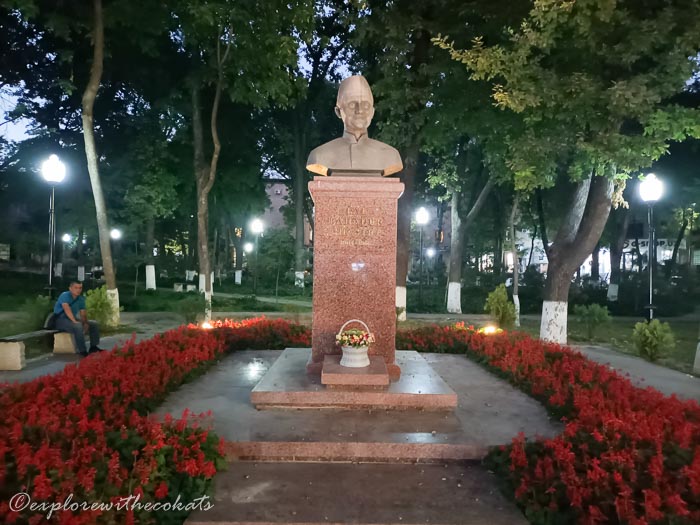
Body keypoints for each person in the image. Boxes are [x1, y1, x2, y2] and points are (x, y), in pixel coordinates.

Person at [306, 75, 403, 177]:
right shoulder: (319, 155)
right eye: (352, 104)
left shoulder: (390, 155)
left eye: (365, 105)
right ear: (338, 112)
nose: (359, 110)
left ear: (372, 112)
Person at [53, 281, 102, 356]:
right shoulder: (65, 295)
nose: (78, 290)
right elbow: (67, 309)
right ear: (70, 288)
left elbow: (83, 313)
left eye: (80, 288)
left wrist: (85, 323)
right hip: (60, 320)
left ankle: (93, 347)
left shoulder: (81, 299)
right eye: (76, 288)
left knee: (93, 324)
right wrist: (74, 321)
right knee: (78, 326)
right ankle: (82, 351)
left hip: (71, 319)